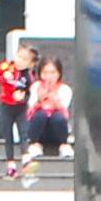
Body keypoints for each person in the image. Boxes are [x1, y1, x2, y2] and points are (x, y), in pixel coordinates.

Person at [18, 55, 71, 183]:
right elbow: (30, 108)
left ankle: (64, 145)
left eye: (53, 72)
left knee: (58, 118)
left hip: (56, 130)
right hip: (39, 129)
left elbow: (64, 109)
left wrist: (54, 99)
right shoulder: (35, 87)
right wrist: (40, 99)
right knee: (40, 115)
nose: (49, 76)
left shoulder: (64, 89)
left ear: (59, 74)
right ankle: (35, 144)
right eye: (45, 72)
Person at [0, 42, 35, 174]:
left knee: (23, 132)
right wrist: (4, 77)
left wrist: (23, 95)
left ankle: (26, 158)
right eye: (19, 56)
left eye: (25, 59)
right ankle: (11, 164)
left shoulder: (27, 75)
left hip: (21, 107)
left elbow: (28, 90)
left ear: (31, 63)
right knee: (7, 134)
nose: (20, 61)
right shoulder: (7, 66)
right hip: (6, 105)